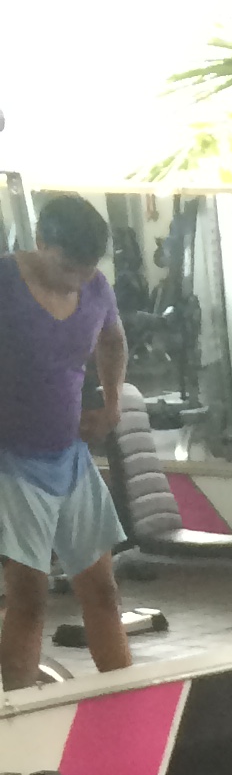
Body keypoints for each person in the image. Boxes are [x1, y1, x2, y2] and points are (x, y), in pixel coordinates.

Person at [0, 193, 130, 695]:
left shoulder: (96, 289)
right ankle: (20, 717)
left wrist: (112, 403)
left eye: (87, 268)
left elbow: (113, 340)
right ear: (39, 242)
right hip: (12, 462)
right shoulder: (5, 282)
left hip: (69, 457)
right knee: (29, 599)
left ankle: (126, 701)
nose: (77, 278)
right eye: (67, 266)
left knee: (102, 590)